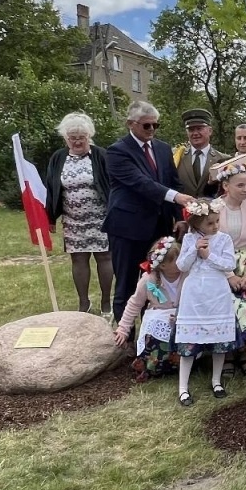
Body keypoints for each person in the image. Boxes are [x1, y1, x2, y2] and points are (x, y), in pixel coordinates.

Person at [104, 102, 196, 322]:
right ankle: (124, 337)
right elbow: (140, 183)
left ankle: (151, 332)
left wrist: (179, 217)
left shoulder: (163, 148)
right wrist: (177, 197)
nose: (152, 129)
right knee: (126, 284)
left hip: (159, 229)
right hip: (127, 229)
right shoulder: (117, 151)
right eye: (147, 125)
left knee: (156, 282)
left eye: (156, 125)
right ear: (131, 124)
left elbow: (174, 183)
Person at [44, 112, 113, 314]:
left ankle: (106, 302)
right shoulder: (58, 158)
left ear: (88, 137)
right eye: (72, 138)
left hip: (101, 218)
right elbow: (52, 187)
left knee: (105, 258)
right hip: (73, 219)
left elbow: (112, 185)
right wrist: (50, 217)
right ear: (66, 138)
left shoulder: (100, 155)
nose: (76, 141)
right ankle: (84, 303)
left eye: (80, 137)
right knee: (78, 259)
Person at [172, 200, 239, 407]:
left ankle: (216, 381)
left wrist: (208, 255)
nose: (215, 226)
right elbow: (181, 265)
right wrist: (193, 250)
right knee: (190, 340)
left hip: (217, 292)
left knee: (219, 341)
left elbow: (230, 264)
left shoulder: (224, 239)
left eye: (217, 221)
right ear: (197, 223)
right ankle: (183, 387)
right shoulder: (189, 239)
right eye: (210, 223)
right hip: (195, 295)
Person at [214, 156, 246, 376]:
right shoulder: (214, 207)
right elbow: (211, 241)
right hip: (221, 264)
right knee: (226, 311)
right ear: (226, 186)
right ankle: (226, 356)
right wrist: (228, 275)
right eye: (240, 185)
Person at [113, 236, 181, 381]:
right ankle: (153, 364)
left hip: (182, 315)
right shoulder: (149, 279)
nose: (181, 261)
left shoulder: (186, 276)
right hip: (159, 315)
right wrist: (123, 328)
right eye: (176, 260)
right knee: (156, 335)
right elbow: (135, 303)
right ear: (162, 265)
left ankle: (182, 362)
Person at [174, 109, 221, 198]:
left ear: (210, 131)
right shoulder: (176, 157)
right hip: (181, 210)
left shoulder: (223, 159)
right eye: (191, 129)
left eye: (199, 128)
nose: (195, 133)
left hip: (213, 210)